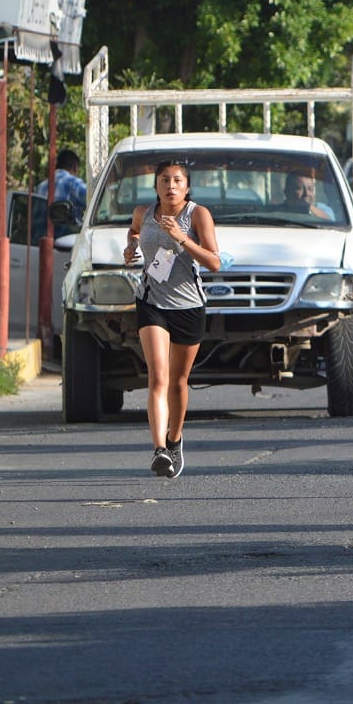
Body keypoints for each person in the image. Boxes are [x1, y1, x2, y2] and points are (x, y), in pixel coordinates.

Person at [124, 159, 221, 479]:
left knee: (178, 382)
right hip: (152, 303)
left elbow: (214, 262)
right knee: (158, 377)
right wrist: (131, 246)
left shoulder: (198, 215)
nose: (171, 186)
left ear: (187, 186)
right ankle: (158, 450)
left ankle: (175, 439)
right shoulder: (144, 213)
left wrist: (182, 238)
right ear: (156, 186)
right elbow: (134, 230)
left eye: (177, 180)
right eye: (164, 180)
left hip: (189, 306)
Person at [35, 148, 88, 236]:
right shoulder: (72, 182)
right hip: (63, 243)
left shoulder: (40, 186)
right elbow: (93, 199)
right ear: (75, 167)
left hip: (39, 243)